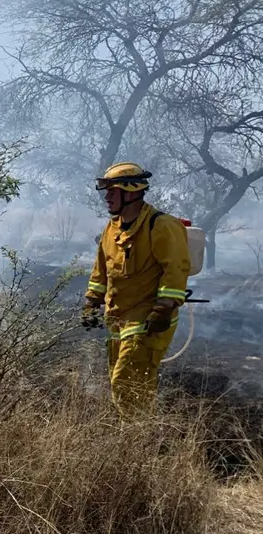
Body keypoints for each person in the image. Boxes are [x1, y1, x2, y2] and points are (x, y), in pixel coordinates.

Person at [81, 162, 191, 418]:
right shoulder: (112, 228)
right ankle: (133, 432)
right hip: (118, 318)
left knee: (127, 383)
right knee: (123, 381)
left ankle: (137, 437)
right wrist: (91, 301)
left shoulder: (161, 225)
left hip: (149, 319)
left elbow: (176, 268)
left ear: (130, 192)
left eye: (112, 190)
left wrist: (163, 309)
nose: (106, 197)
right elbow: (101, 270)